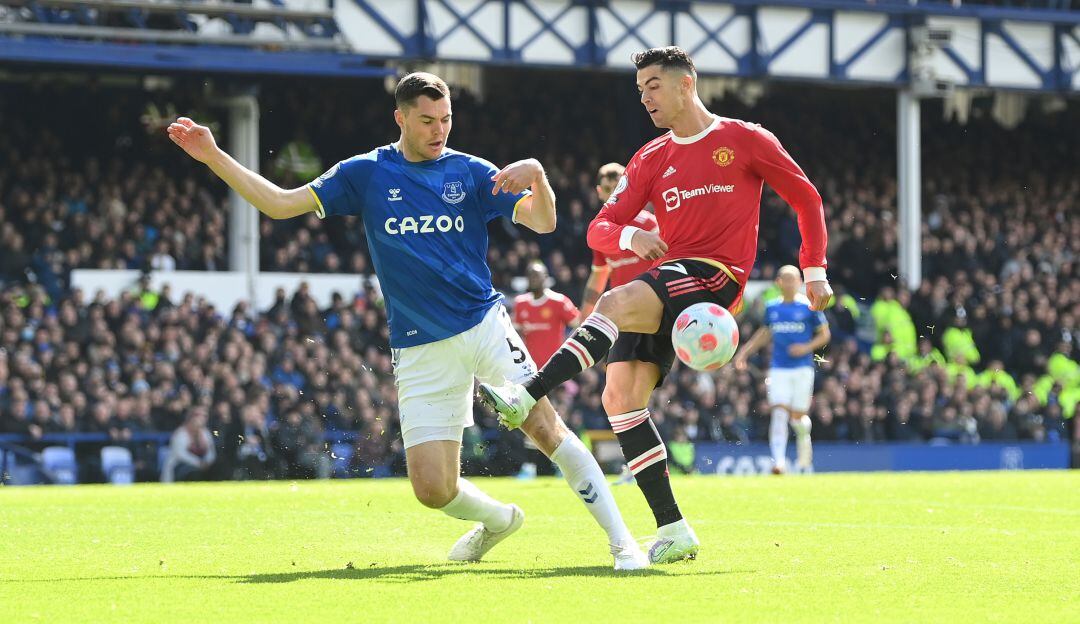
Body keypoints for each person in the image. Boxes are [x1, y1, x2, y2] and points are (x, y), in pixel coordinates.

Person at [167, 72, 647, 569]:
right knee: (432, 489)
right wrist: (213, 156)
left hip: (483, 324)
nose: (439, 130)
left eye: (446, 120)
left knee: (545, 426)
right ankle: (501, 521)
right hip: (418, 347)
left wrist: (539, 177)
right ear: (399, 118)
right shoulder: (367, 172)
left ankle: (623, 544)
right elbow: (280, 204)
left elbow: (544, 222)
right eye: (426, 121)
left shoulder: (472, 172)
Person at [480, 47, 832, 564]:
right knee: (620, 400)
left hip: (718, 278)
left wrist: (814, 268)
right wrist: (628, 236)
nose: (644, 96)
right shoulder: (650, 158)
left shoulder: (745, 139)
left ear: (686, 83)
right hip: (667, 280)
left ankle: (526, 394)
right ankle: (674, 530)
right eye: (640, 88)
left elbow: (806, 198)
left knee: (615, 300)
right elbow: (600, 228)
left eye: (653, 85)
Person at [733, 265, 831, 473]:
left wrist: (805, 347)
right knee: (778, 412)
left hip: (802, 368)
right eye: (785, 279)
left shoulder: (808, 307)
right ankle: (779, 462)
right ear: (778, 282)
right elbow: (765, 333)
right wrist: (744, 353)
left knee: (798, 418)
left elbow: (824, 334)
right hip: (778, 368)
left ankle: (805, 439)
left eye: (792, 279)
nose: (788, 283)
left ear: (799, 282)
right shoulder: (772, 308)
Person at [578, 162, 658, 320]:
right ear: (599, 193)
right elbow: (599, 277)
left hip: (652, 314)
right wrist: (583, 319)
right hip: (622, 316)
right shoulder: (600, 232)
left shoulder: (650, 224)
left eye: (618, 188)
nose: (614, 195)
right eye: (608, 189)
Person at [512, 261, 579, 367]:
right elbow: (513, 334)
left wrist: (568, 348)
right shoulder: (520, 303)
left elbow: (578, 323)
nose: (533, 279)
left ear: (545, 277)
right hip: (528, 366)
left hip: (554, 365)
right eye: (530, 276)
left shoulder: (559, 301)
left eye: (536, 276)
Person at [161, 406, 216, 482]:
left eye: (205, 416)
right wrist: (198, 463)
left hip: (202, 464)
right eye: (199, 415)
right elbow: (180, 455)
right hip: (181, 465)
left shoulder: (205, 433)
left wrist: (207, 462)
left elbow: (211, 451)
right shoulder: (180, 433)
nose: (202, 418)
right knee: (193, 474)